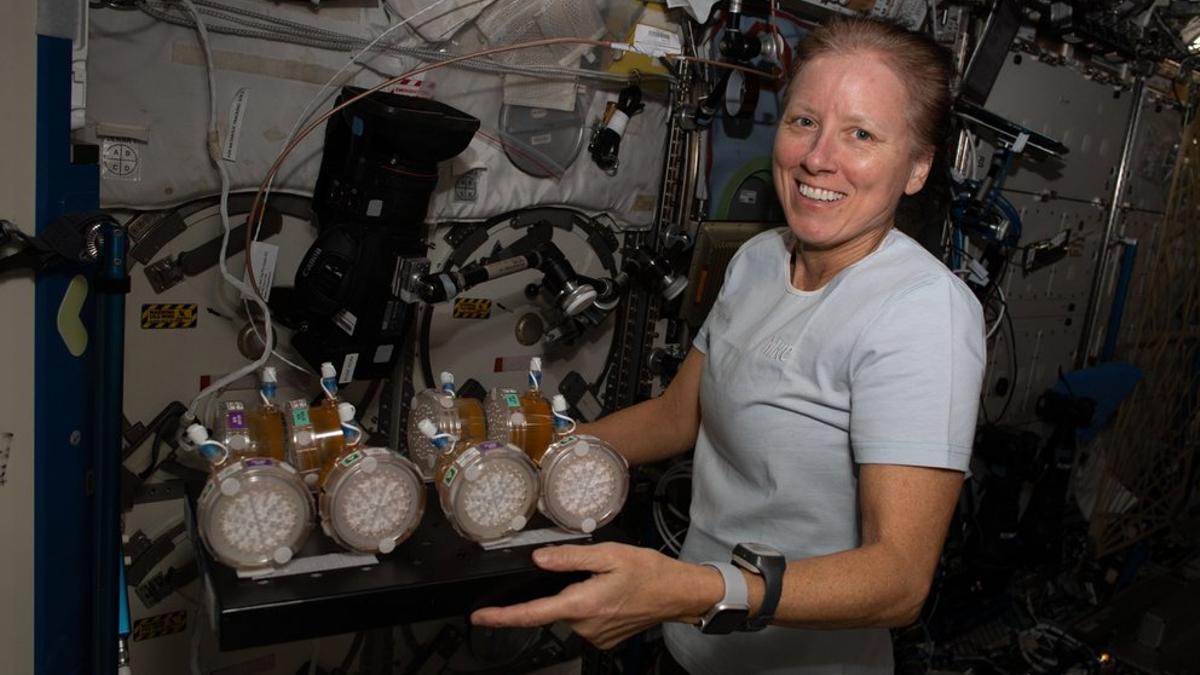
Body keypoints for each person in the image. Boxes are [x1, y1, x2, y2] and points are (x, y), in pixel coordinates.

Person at [471, 17, 986, 674]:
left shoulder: (922, 310)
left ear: (917, 166)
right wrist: (526, 455)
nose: (817, 157)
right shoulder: (759, 259)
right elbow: (677, 415)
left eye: (860, 133)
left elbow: (899, 580)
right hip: (691, 648)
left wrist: (695, 589)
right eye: (804, 122)